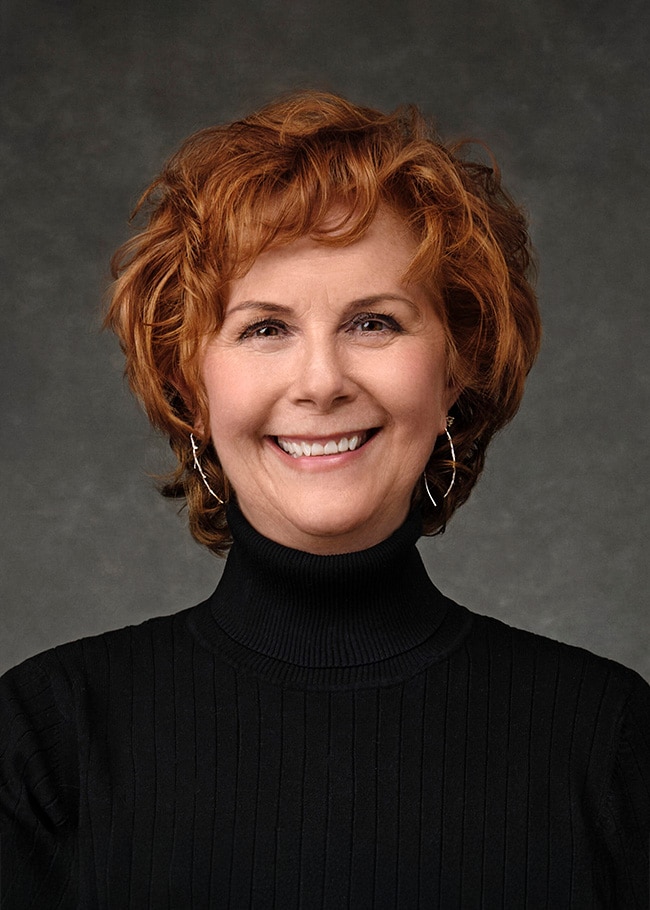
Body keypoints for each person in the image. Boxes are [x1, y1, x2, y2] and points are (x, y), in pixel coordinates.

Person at [1, 91, 648, 908]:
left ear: (455, 370)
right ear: (188, 386)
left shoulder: (608, 740)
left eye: (373, 323)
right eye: (265, 328)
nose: (321, 383)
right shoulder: (45, 745)